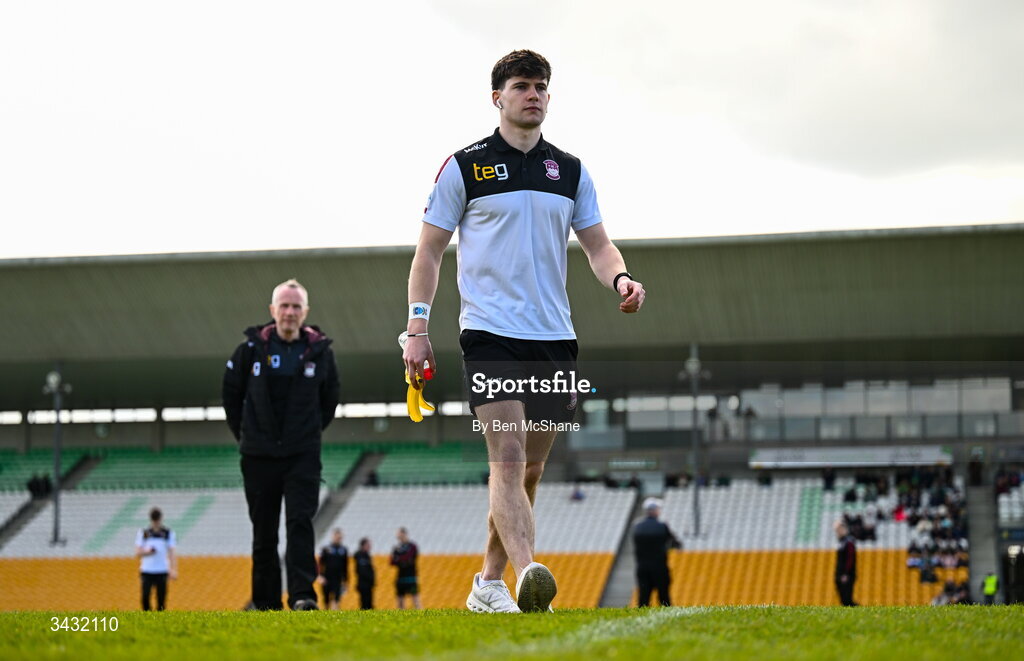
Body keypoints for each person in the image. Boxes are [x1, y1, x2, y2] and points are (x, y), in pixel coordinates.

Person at [402, 49, 645, 615]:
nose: (532, 94)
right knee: (508, 458)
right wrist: (416, 325)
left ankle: (488, 583)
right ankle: (531, 573)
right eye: (521, 85)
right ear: (498, 98)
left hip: (554, 337)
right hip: (488, 333)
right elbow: (429, 252)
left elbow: (598, 245)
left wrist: (622, 279)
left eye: (540, 86)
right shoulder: (464, 167)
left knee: (531, 468)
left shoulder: (571, 170)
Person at [222, 278, 340, 611]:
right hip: (258, 455)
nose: (289, 312)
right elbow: (231, 396)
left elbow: (330, 400)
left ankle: (302, 595)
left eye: (296, 306)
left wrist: (308, 434)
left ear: (305, 312)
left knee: (300, 524)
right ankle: (266, 601)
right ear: (273, 310)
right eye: (284, 306)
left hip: (302, 455)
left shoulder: (320, 353)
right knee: (264, 531)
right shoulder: (248, 351)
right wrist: (248, 435)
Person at [632, 497, 682, 607]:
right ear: (654, 510)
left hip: (642, 566)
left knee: (644, 596)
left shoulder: (637, 526)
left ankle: (641, 618)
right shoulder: (662, 525)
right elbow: (675, 543)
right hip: (659, 566)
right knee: (663, 595)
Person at [135, 507, 177, 611]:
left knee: (161, 599)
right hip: (147, 570)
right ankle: (147, 618)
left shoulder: (167, 533)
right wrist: (147, 552)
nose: (156, 522)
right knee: (145, 597)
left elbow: (172, 552)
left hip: (162, 570)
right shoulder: (144, 533)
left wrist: (173, 569)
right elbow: (137, 552)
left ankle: (160, 620)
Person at [317, 528, 349, 610]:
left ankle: (335, 614)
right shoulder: (326, 549)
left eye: (340, 538)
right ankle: (326, 613)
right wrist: (320, 576)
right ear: (333, 537)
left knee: (337, 598)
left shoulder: (343, 550)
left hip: (337, 578)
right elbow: (320, 564)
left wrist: (345, 580)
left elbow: (345, 566)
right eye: (337, 537)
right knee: (326, 599)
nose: (338, 539)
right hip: (326, 578)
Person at [391, 527, 421, 609]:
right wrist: (402, 560)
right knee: (400, 600)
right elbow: (392, 561)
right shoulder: (397, 547)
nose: (398, 536)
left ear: (404, 534)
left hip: (411, 576)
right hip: (400, 577)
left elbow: (410, 559)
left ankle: (422, 616)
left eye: (399, 534)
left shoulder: (412, 546)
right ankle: (400, 619)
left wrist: (400, 559)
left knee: (415, 599)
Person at [834, 520, 857, 607]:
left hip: (846, 574)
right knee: (843, 599)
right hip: (840, 573)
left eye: (838, 529)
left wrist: (846, 573)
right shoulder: (842, 542)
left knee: (847, 599)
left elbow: (850, 559)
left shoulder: (849, 542)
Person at [354, 537, 375, 610]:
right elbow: (361, 570)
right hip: (363, 583)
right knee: (364, 602)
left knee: (369, 601)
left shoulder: (367, 556)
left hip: (368, 583)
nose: (369, 547)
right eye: (368, 545)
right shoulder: (360, 556)